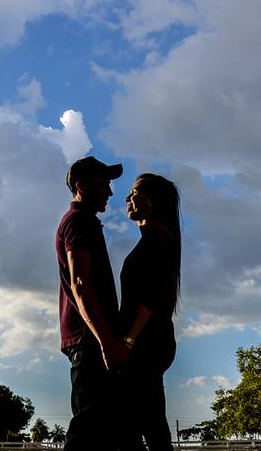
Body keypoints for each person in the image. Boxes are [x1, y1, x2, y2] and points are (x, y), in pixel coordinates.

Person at [56, 156, 131, 451]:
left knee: (107, 429)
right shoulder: (79, 222)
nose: (110, 192)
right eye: (103, 185)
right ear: (81, 186)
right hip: (89, 340)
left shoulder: (83, 222)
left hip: (91, 338)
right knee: (88, 427)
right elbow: (81, 285)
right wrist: (106, 342)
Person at [118, 173, 182, 451]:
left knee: (140, 425)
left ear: (153, 201)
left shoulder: (157, 240)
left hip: (145, 342)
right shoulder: (154, 239)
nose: (128, 198)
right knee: (142, 422)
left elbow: (150, 297)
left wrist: (129, 341)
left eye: (135, 192)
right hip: (149, 341)